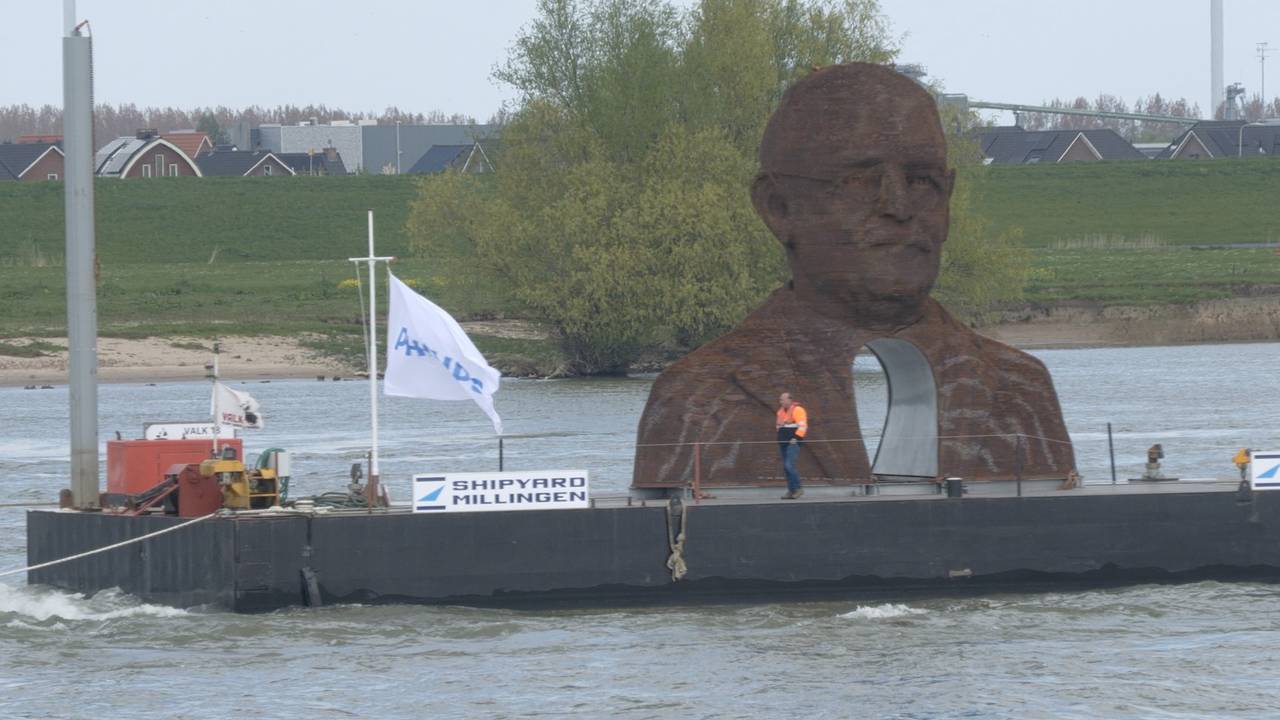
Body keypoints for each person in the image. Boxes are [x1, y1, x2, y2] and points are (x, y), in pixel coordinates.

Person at [632, 63, 1074, 492]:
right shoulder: (697, 399)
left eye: (921, 180)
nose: (898, 207)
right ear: (778, 207)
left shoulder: (1022, 387)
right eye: (859, 181)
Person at [776, 393, 808, 499]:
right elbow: (779, 427)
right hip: (783, 443)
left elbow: (803, 426)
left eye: (783, 400)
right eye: (780, 400)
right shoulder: (780, 412)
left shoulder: (798, 410)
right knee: (786, 467)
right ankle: (791, 490)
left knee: (789, 465)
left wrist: (796, 438)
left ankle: (798, 488)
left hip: (793, 443)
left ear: (790, 400)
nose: (781, 402)